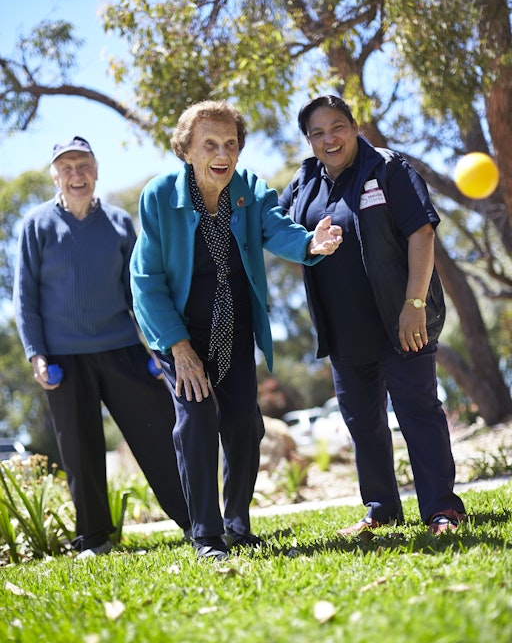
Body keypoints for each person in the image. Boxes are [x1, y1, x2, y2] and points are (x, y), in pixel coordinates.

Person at [130, 100, 342, 561]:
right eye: (209, 144)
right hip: (178, 331)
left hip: (233, 325)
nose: (222, 153)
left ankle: (237, 526)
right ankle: (206, 536)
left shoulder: (248, 188)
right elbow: (145, 280)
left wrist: (311, 243)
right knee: (197, 419)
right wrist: (178, 347)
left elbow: (277, 228)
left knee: (245, 422)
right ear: (186, 149)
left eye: (230, 143)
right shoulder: (160, 196)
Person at [279, 95, 466, 536]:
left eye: (337, 127)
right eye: (318, 133)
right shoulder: (305, 182)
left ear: (354, 126)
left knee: (418, 412)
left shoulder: (387, 167)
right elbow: (275, 226)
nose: (329, 139)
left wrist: (414, 305)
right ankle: (381, 509)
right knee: (363, 425)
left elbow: (422, 233)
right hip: (344, 330)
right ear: (309, 140)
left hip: (400, 321)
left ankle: (442, 508)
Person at [13, 136, 192, 558]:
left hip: (121, 348)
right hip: (63, 357)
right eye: (67, 168)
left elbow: (137, 291)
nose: (76, 175)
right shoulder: (36, 225)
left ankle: (196, 520)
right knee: (80, 451)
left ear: (96, 171)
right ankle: (94, 539)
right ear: (55, 176)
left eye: (83, 166)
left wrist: (157, 346)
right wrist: (37, 354)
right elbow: (25, 297)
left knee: (160, 435)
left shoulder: (117, 222)